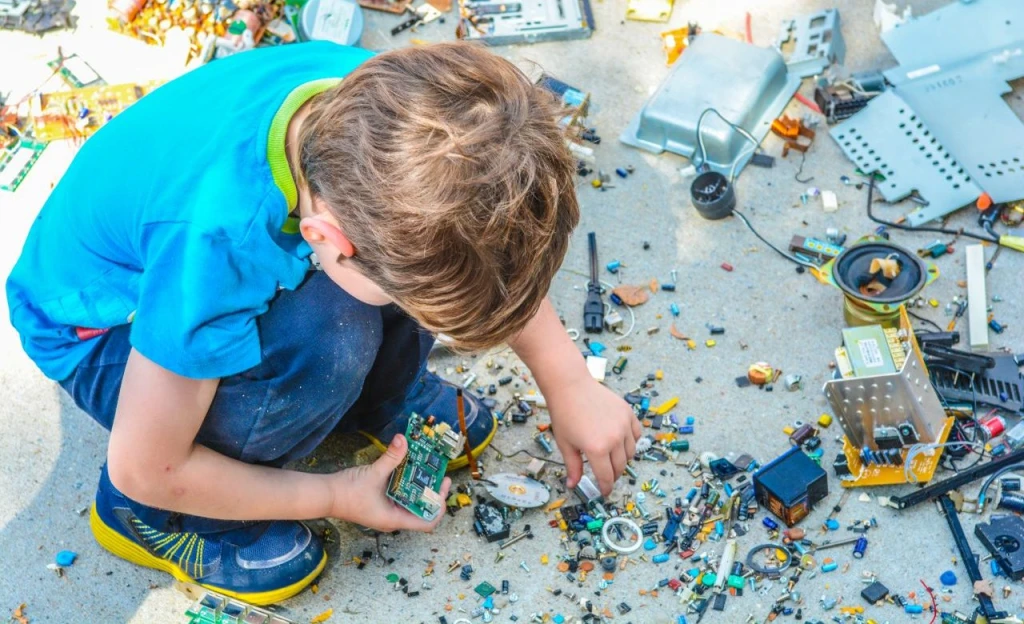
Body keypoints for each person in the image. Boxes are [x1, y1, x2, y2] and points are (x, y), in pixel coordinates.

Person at [6, 41, 640, 604]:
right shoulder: (216, 245)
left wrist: (568, 381)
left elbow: (490, 249)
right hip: (107, 333)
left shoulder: (399, 111)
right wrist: (334, 497)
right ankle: (152, 522)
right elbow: (145, 464)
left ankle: (373, 401)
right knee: (328, 339)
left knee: (386, 287)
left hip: (204, 274)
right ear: (324, 239)